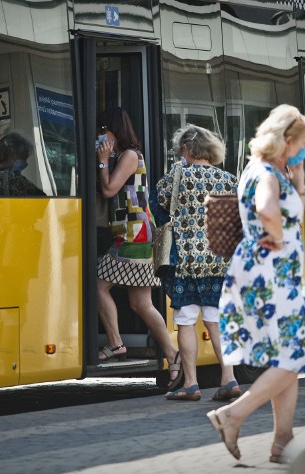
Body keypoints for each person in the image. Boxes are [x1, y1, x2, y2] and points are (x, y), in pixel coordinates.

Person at [206, 104, 305, 462]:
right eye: (302, 142)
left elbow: (285, 209)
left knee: (285, 358)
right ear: (286, 140)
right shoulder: (267, 173)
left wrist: (298, 183)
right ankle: (232, 415)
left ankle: (283, 442)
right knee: (293, 356)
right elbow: (268, 209)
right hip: (273, 277)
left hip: (262, 274)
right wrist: (279, 239)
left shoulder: (261, 169)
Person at [150, 124, 241, 402]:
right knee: (215, 321)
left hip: (186, 262)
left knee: (186, 322)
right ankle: (229, 379)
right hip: (219, 262)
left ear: (188, 149)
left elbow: (157, 208)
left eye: (181, 150)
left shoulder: (176, 176)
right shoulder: (229, 179)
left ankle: (191, 383)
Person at [95, 107, 181, 388]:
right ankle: (173, 356)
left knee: (98, 286)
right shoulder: (125, 155)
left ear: (114, 130)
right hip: (136, 232)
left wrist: (102, 161)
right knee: (140, 303)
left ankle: (116, 343)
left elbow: (109, 189)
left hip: (135, 234)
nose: (101, 136)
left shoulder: (130, 155)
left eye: (104, 130)